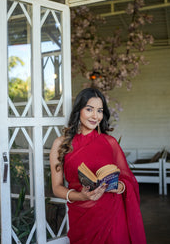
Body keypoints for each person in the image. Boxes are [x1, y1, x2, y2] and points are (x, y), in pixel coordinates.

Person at [50, 87, 146, 244]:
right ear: (78, 110)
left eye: (100, 111)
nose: (95, 116)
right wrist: (80, 196)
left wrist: (120, 186)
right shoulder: (61, 144)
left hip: (112, 215)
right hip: (81, 218)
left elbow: (129, 179)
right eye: (89, 109)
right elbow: (57, 187)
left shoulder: (110, 143)